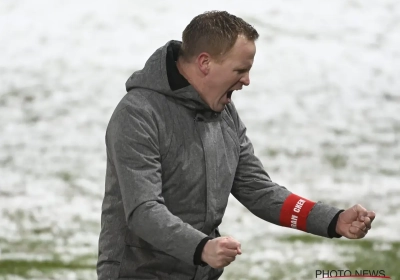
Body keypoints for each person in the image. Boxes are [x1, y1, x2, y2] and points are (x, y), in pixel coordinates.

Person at [97, 10, 375, 280]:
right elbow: (143, 211)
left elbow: (259, 190)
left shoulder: (224, 113)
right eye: (240, 70)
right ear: (205, 63)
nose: (247, 81)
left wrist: (333, 220)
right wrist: (202, 248)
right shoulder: (138, 114)